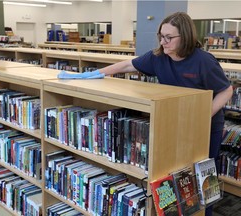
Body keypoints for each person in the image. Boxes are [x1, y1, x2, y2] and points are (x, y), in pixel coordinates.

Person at [96, 12, 233, 216]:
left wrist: (204, 116)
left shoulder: (203, 61)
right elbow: (127, 65)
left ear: (184, 36)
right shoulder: (158, 57)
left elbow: (226, 90)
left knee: (203, 177)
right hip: (175, 121)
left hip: (206, 126)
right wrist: (96, 74)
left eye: (169, 37)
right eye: (161, 36)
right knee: (175, 170)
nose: (163, 41)